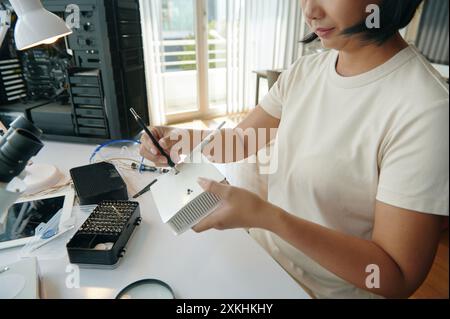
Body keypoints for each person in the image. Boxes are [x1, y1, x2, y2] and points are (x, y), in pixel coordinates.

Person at [140, 0, 449, 299]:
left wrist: (268, 217)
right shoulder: (306, 70)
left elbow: (395, 276)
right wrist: (176, 138)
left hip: (326, 290)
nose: (310, 12)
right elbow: (241, 141)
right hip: (263, 258)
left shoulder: (426, 110)